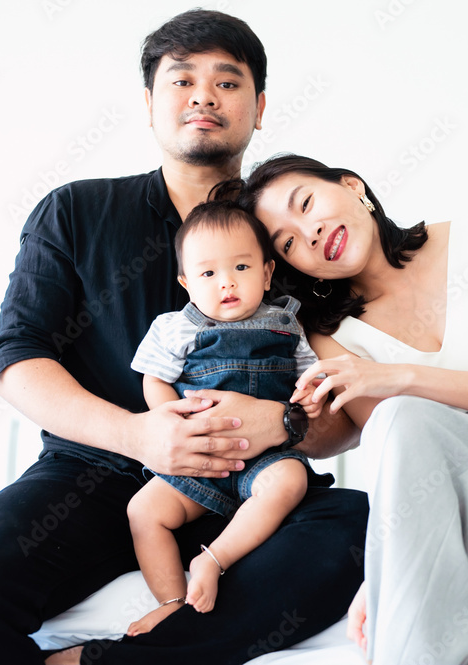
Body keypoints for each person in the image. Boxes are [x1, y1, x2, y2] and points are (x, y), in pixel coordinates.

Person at [0, 12, 367, 665]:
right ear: (149, 105)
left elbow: (343, 409)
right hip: (92, 474)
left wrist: (284, 423)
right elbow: (17, 359)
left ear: (260, 106)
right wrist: (140, 435)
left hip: (253, 476)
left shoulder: (293, 237)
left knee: (353, 529)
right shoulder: (76, 212)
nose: (203, 96)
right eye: (181, 80)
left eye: (227, 81)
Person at [222, 154, 468, 664]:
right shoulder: (329, 336)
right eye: (289, 243)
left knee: (399, 416)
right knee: (421, 627)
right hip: (461, 516)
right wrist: (392, 560)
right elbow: (407, 466)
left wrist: (402, 376)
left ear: (352, 185)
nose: (310, 234)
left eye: (307, 203)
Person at [124, 199, 331, 637]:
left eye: (241, 268)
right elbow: (154, 380)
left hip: (266, 458)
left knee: (289, 483)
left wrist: (310, 398)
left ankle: (214, 559)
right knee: (143, 510)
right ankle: (170, 603)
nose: (227, 284)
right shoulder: (175, 327)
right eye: (208, 273)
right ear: (185, 282)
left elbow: (310, 378)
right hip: (197, 455)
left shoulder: (286, 325)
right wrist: (170, 420)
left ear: (267, 272)